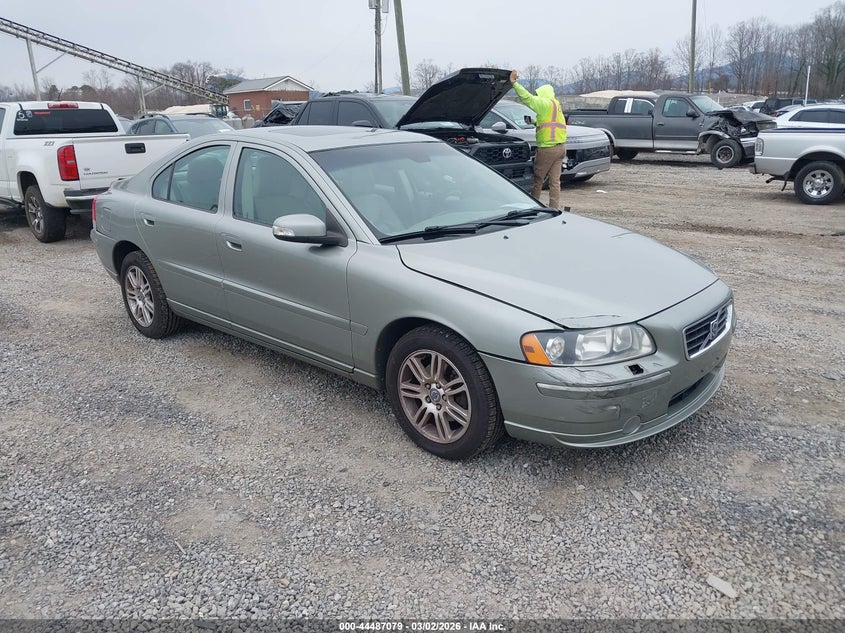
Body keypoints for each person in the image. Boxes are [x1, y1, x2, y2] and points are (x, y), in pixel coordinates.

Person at [509, 70, 567, 208]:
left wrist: (514, 83)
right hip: (560, 148)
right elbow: (551, 123)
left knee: (538, 179)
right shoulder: (555, 105)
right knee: (555, 182)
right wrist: (534, 122)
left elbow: (527, 98)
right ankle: (554, 207)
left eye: (538, 94)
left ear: (543, 95)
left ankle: (533, 206)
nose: (537, 96)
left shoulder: (544, 103)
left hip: (547, 148)